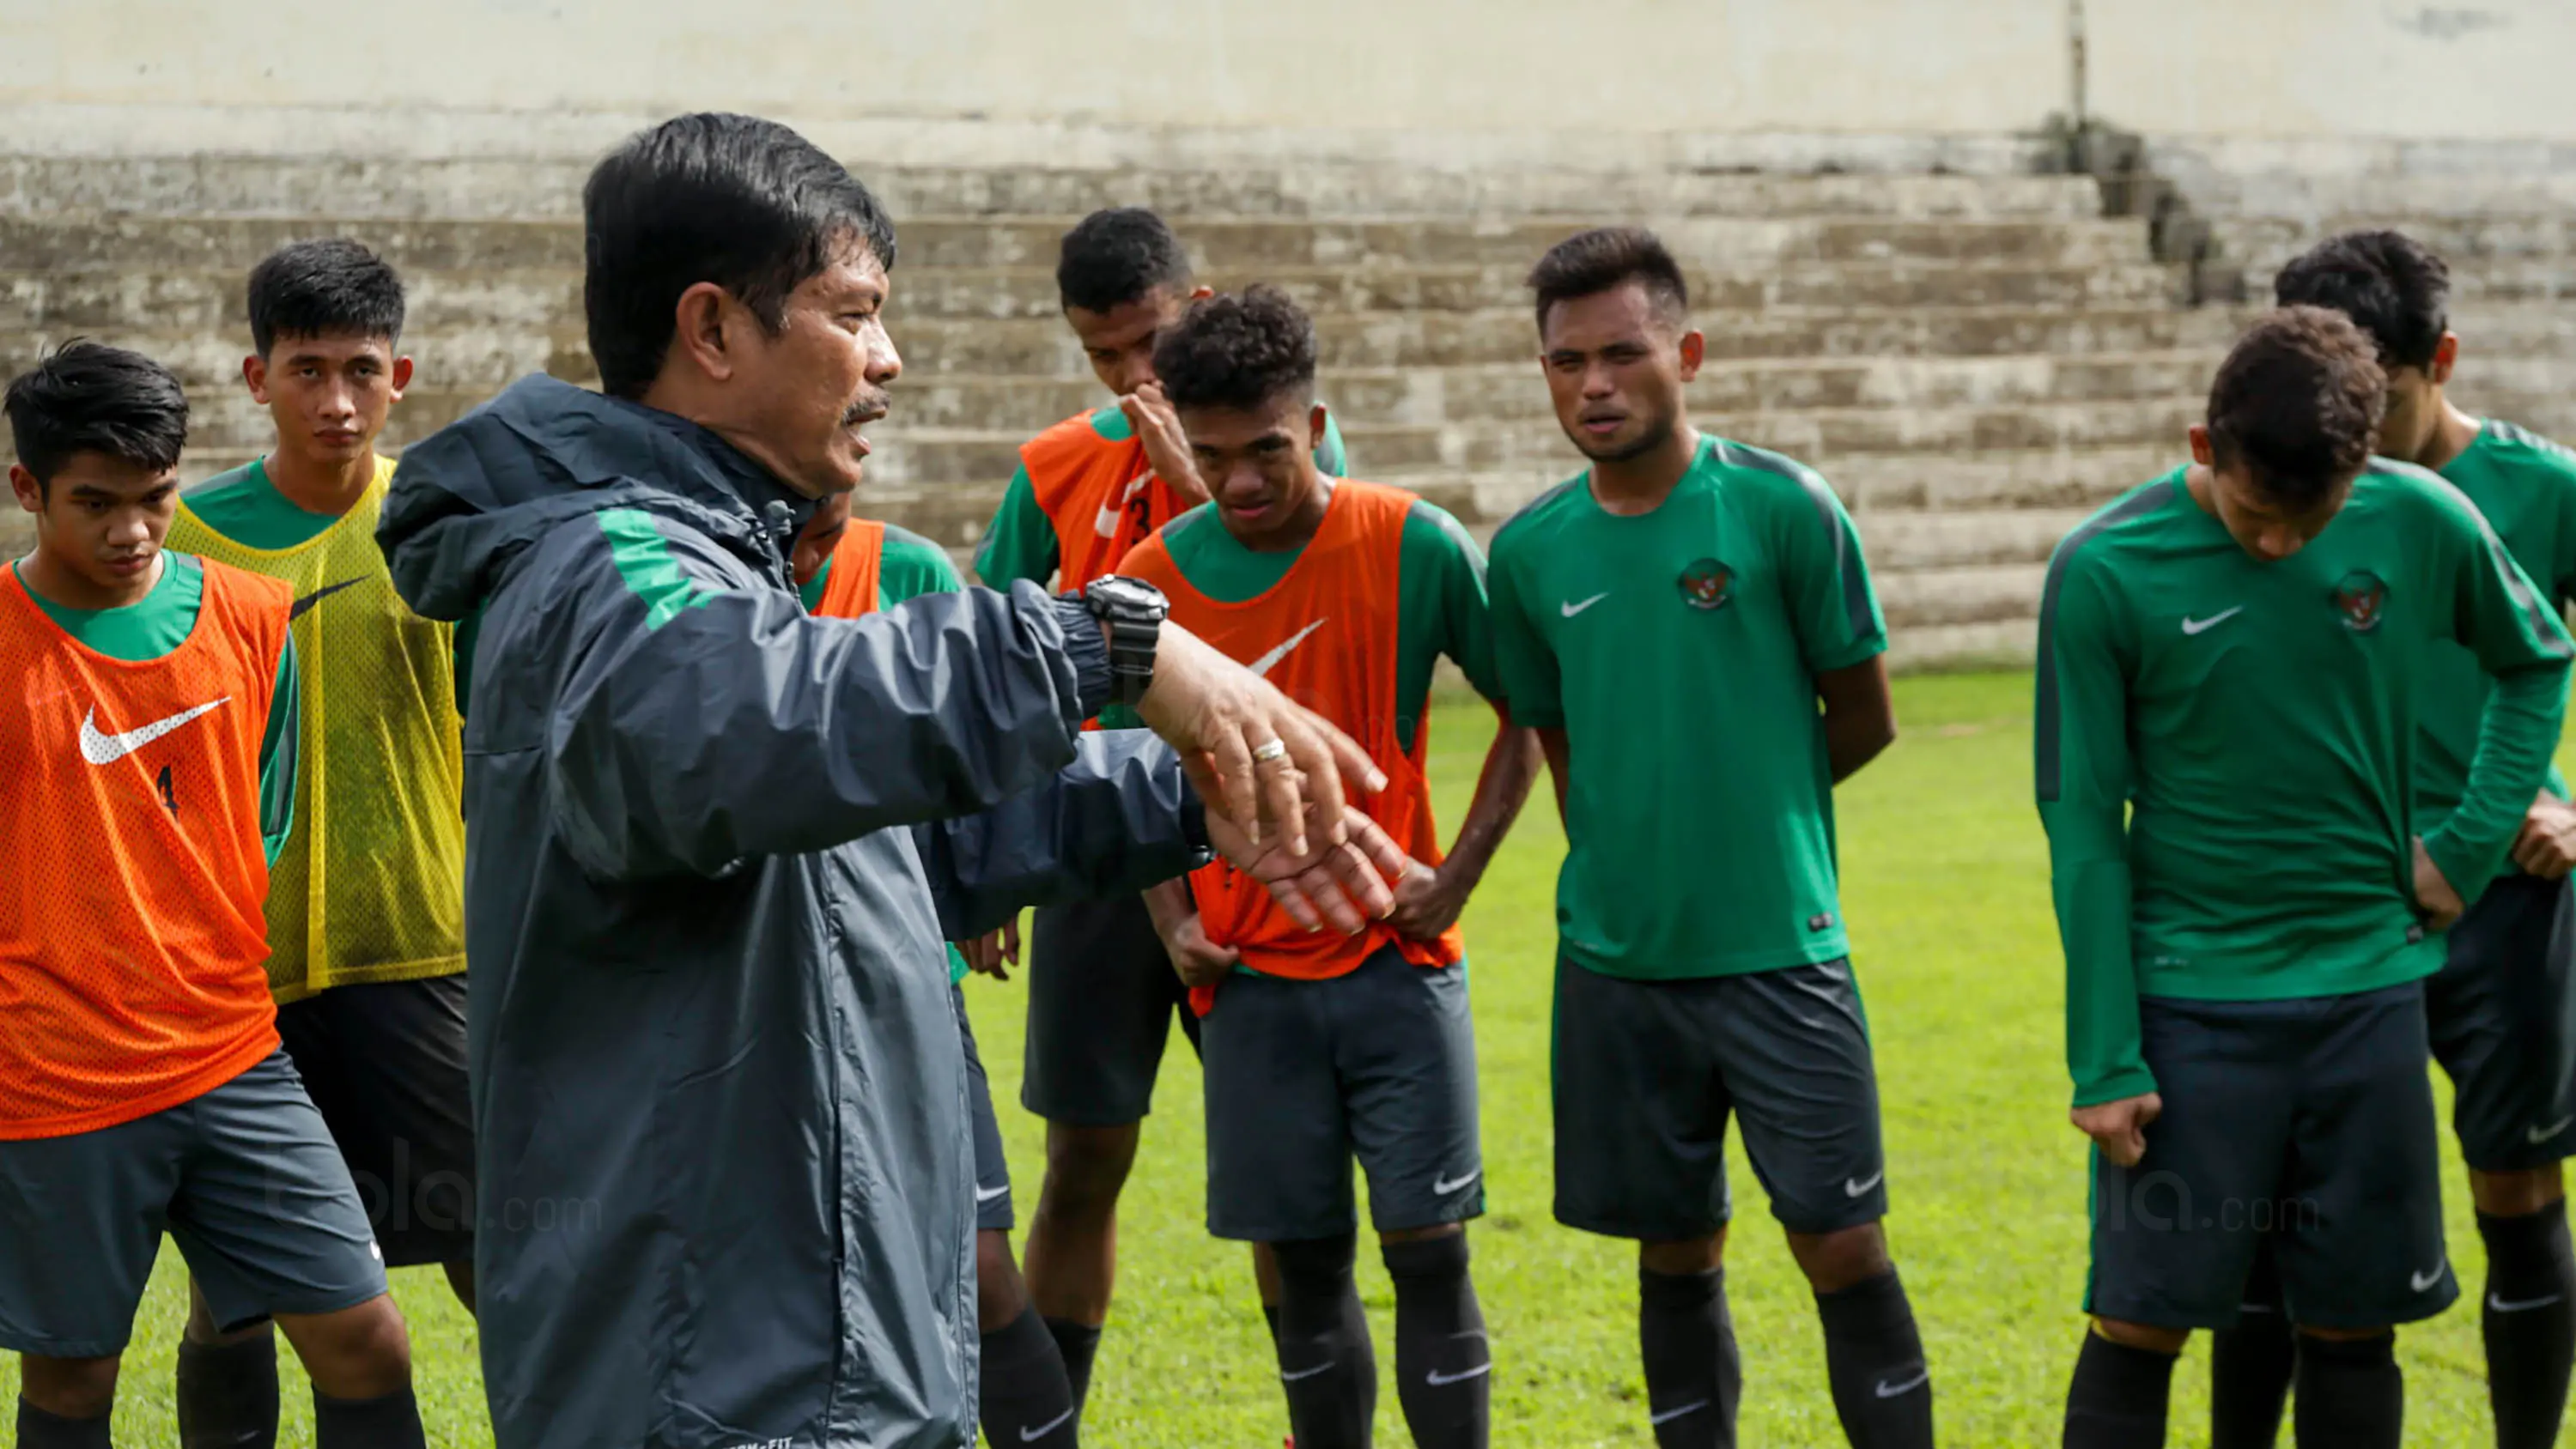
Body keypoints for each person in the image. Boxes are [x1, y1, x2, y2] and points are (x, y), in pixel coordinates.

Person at [374, 112, 1404, 1449]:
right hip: (718, 1383)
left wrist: (1181, 799)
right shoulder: (604, 566)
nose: (888, 359)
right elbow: (726, 737)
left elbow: (868, 859)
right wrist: (1105, 640)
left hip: (819, 1355)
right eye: (853, 314)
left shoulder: (717, 569)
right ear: (713, 329)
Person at [2039, 306, 2575, 1449]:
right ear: (2202, 447)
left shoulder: (2423, 516)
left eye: (2311, 516)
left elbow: (2537, 661)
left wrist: (2469, 846)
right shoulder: (2102, 570)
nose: (2280, 545)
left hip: (2368, 1004)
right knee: (2136, 1323)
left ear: (2362, 465)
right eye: (2252, 513)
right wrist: (2105, 1053)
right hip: (2191, 1012)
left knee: (2353, 1328)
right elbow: (2082, 821)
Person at [1485, 227, 1927, 1449]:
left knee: (1840, 1244)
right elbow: (1558, 737)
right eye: (1566, 362)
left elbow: (1866, 715)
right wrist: (1633, 851)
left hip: (1781, 949)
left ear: (1685, 352)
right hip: (1619, 968)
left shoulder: (1783, 509)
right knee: (1675, 1250)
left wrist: (1749, 812)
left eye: (1622, 354)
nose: (1595, 385)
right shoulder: (1526, 554)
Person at [1115, 287, 1538, 1449]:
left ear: (1315, 424)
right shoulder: (1150, 581)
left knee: (1431, 1255)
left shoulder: (1412, 541)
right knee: (1302, 1270)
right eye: (1210, 459)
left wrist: (1454, 877)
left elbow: (1527, 715)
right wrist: (1168, 917)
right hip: (1246, 984)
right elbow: (1110, 769)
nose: (1241, 486)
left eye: (1267, 453)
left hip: (1398, 965)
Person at [0, 342, 428, 1448]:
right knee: (74, 1379)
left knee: (367, 1336)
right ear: (26, 489)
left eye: (155, 498)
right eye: (94, 503)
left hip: (234, 1055)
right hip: (58, 1077)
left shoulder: (249, 616)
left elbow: (263, 824)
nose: (132, 530)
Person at [2190, 231, 2576, 1449]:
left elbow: (2535, 661)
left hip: (2499, 898)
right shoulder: (2276, 488)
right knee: (2271, 1216)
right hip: (2322, 909)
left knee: (2513, 1191)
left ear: (2439, 360)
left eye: (2379, 393)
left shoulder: (2545, 491)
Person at [972, 205, 1348, 1410]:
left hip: (1248, 849)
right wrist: (987, 861)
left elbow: (1313, 618)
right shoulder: (1053, 468)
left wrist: (1198, 478)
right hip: (1095, 854)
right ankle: (1051, 1424)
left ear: (1191, 312)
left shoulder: (1291, 457)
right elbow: (989, 663)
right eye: (1102, 356)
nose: (1132, 378)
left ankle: (1315, 1427)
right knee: (1083, 1156)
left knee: (1281, 1174)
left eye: (1144, 344)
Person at [161, 237, 475, 1449]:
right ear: (254, 378)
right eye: (306, 370)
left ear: (402, 373)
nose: (336, 401)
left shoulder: (446, 519)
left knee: (488, 1250)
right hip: (242, 975)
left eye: (360, 370)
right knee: (234, 1295)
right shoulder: (184, 539)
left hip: (422, 952)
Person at [791, 495, 1079, 1447]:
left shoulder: (908, 572)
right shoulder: (700, 583)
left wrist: (985, 887)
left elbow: (972, 748)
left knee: (978, 1264)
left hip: (902, 974)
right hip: (751, 996)